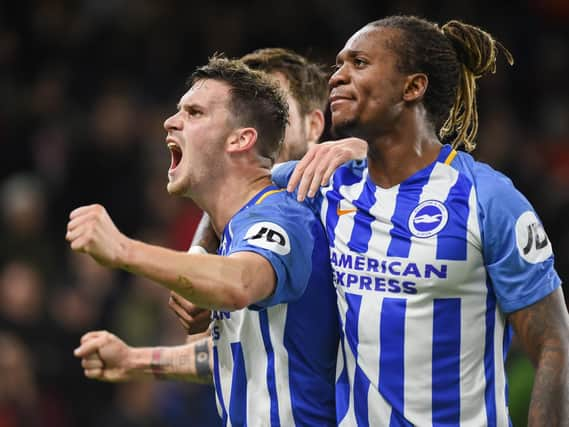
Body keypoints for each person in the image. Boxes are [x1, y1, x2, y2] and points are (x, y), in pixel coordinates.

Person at [273, 16, 569, 426]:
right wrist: (204, 244)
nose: (336, 77)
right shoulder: (326, 181)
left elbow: (554, 343)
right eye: (338, 64)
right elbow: (235, 189)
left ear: (412, 87)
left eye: (358, 63)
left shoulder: (488, 200)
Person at [67, 56, 339, 426]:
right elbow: (235, 353)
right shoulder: (235, 231)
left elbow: (239, 283)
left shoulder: (283, 217)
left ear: (242, 139)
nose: (170, 121)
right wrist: (135, 361)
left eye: (194, 113)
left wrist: (123, 249)